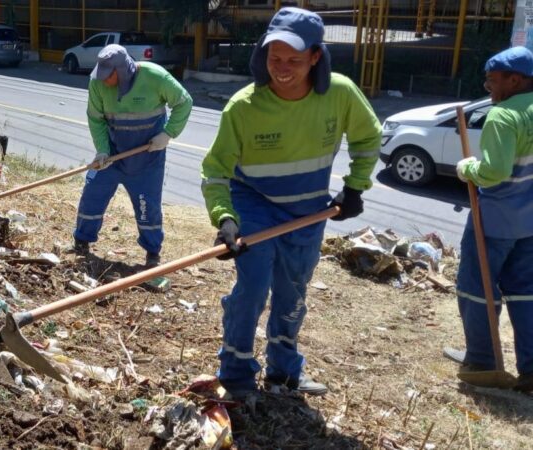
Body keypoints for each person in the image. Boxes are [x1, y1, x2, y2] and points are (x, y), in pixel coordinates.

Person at [200, 7, 382, 397]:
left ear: (316, 56)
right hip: (255, 204)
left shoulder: (341, 94)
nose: (282, 68)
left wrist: (355, 187)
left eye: (294, 60)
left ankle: (284, 372)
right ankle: (235, 374)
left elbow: (369, 138)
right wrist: (225, 218)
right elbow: (216, 171)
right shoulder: (244, 107)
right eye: (274, 58)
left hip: (307, 211)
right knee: (252, 289)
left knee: (293, 292)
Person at [455, 46, 533, 393]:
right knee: (525, 293)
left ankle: (481, 361)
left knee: (477, 290)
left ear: (515, 80)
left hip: (495, 221)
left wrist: (467, 168)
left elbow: (495, 172)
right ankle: (531, 369)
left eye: (492, 82)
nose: (489, 90)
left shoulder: (504, 116)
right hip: (530, 224)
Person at [73, 44, 193, 267]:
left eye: (109, 76)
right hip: (112, 155)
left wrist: (167, 134)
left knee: (148, 207)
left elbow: (184, 102)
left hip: (147, 157)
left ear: (123, 69)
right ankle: (81, 240)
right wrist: (102, 150)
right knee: (92, 194)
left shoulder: (155, 76)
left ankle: (152, 252)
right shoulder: (97, 84)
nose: (103, 80)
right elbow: (96, 119)